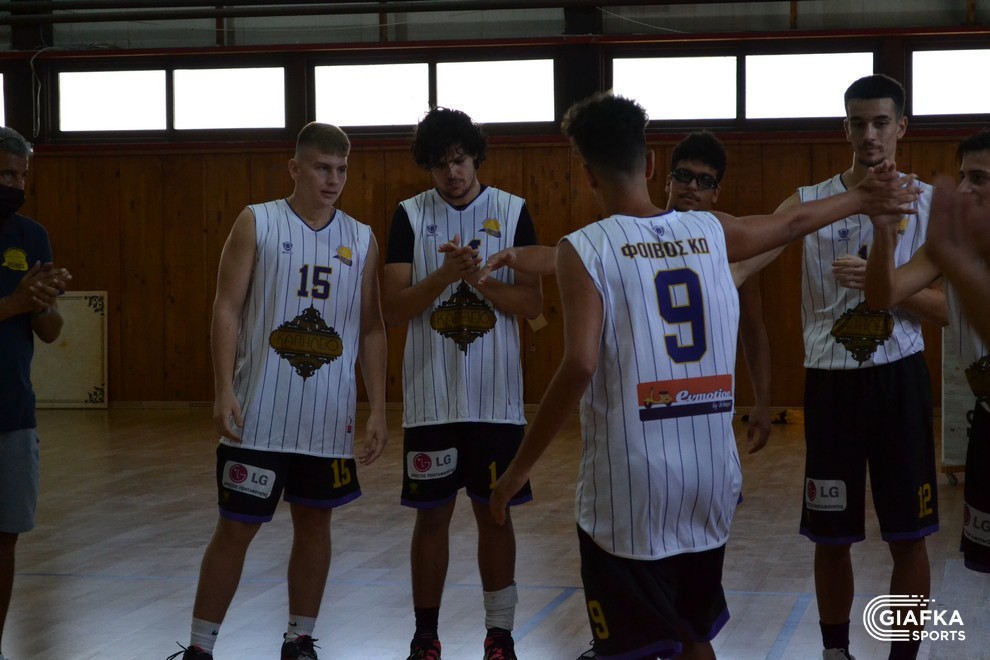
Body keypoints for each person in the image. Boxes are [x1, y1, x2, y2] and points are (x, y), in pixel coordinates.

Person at [489, 92, 918, 660]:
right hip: (710, 478)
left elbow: (580, 365)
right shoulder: (712, 231)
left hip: (633, 483)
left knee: (631, 649)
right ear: (651, 165)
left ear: (587, 173)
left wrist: (517, 470)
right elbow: (793, 221)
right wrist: (863, 197)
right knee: (695, 635)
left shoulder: (584, 248)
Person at [169, 122, 388, 660]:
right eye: (321, 168)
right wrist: (223, 388)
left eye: (341, 170)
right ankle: (199, 647)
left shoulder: (362, 238)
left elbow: (372, 328)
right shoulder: (257, 221)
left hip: (327, 418)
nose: (332, 179)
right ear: (295, 168)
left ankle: (300, 638)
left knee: (315, 524)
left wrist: (379, 408)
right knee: (236, 527)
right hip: (260, 412)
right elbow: (226, 307)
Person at [773, 74, 945, 660]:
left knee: (909, 534)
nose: (869, 133)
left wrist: (886, 286)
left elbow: (949, 310)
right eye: (858, 122)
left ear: (902, 127)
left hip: (899, 382)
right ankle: (834, 652)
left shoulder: (928, 203)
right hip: (830, 386)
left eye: (880, 122)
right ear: (844, 128)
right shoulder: (808, 201)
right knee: (831, 536)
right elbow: (748, 258)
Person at [382, 106, 543, 660]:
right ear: (427, 166)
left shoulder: (512, 210)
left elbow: (532, 303)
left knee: (495, 513)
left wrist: (478, 279)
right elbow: (393, 308)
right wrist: (444, 275)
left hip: (496, 401)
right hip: (431, 400)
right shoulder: (408, 215)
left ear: (476, 157)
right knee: (431, 518)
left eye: (459, 160)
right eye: (440, 163)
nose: (451, 172)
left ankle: (499, 635)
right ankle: (425, 636)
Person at [865, 130, 990, 574]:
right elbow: (883, 294)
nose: (965, 189)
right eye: (962, 177)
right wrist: (884, 234)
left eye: (979, 178)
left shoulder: (955, 249)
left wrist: (955, 262)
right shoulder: (954, 243)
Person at [0, 127, 69, 660]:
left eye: (22, 176)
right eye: (6, 174)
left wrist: (43, 303)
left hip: (13, 410)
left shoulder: (31, 236)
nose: (16, 186)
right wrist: (15, 303)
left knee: (6, 538)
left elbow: (49, 331)